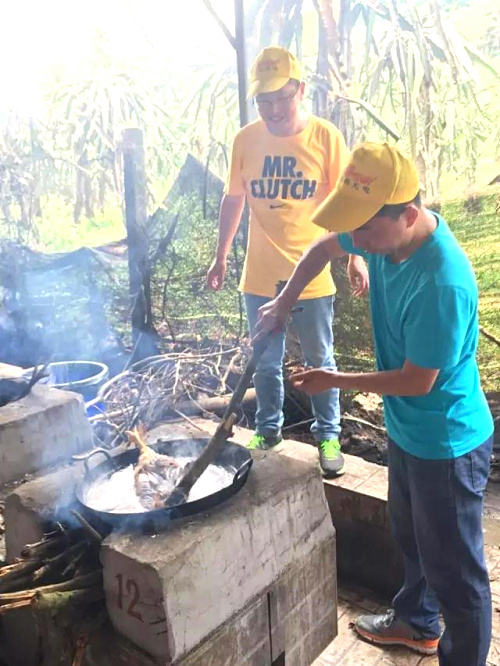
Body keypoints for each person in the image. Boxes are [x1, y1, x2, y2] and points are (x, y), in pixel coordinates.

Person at [254, 142, 494, 665]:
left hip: (446, 442)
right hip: (409, 433)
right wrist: (284, 301)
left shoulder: (442, 281)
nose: (356, 242)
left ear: (408, 215)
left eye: (364, 232)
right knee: (412, 539)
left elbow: (416, 381)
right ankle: (416, 623)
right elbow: (322, 249)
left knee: (458, 574)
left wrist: (333, 379)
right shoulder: (382, 232)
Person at [206, 46, 368, 476]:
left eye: (281, 97)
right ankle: (268, 431)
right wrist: (220, 256)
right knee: (264, 360)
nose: (273, 108)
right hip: (259, 273)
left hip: (311, 273)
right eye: (264, 100)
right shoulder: (246, 139)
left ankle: (328, 436)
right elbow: (234, 198)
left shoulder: (325, 137)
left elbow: (346, 203)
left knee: (321, 359)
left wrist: (354, 257)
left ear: (299, 90)